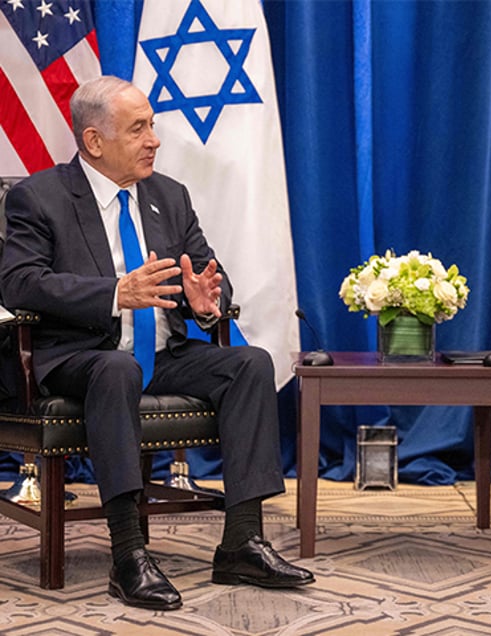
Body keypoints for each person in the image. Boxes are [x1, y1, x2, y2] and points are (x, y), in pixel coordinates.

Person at [0, 76, 314, 610]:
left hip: (162, 355)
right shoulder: (41, 196)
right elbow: (19, 281)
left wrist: (203, 296)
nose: (154, 140)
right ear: (94, 141)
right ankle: (129, 555)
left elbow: (210, 274)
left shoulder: (169, 196)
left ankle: (242, 540)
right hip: (79, 356)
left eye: (152, 125)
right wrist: (115, 292)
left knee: (250, 364)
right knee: (117, 370)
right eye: (139, 128)